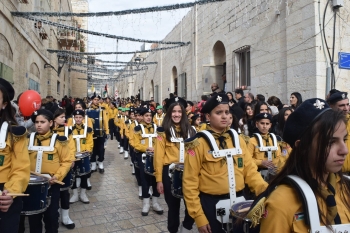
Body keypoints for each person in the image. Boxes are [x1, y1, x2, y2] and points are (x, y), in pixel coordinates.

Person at [248, 98, 350, 232]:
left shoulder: (346, 188)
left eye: (345, 139)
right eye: (330, 142)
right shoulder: (281, 201)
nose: (344, 150)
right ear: (302, 147)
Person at [183, 93, 268, 233]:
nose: (224, 116)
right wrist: (199, 217)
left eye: (227, 112)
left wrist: (266, 192)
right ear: (208, 117)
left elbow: (250, 171)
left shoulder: (239, 139)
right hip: (212, 203)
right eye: (218, 112)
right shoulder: (198, 143)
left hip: (241, 200)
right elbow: (189, 182)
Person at [154, 97, 195, 233]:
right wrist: (159, 179)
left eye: (179, 111)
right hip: (170, 172)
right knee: (173, 207)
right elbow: (158, 157)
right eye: (173, 111)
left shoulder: (191, 131)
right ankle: (173, 230)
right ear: (169, 112)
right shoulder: (163, 131)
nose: (176, 114)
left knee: (192, 204)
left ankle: (186, 227)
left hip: (189, 171)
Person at [27, 109, 72, 233]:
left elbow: (66, 161)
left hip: (51, 185)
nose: (39, 125)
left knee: (52, 218)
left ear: (51, 123)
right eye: (36, 122)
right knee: (34, 220)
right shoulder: (28, 139)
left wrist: (57, 176)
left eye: (43, 122)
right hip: (32, 186)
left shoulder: (59, 140)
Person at [0, 79, 30, 233]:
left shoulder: (15, 133)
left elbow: (21, 169)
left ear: (4, 104)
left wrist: (10, 192)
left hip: (4, 195)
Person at [133, 108, 164, 216]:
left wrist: (156, 149)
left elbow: (161, 141)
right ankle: (146, 203)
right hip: (143, 157)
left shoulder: (157, 128)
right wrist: (147, 148)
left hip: (156, 157)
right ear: (141, 117)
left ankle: (155, 203)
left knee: (156, 178)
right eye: (146, 115)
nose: (148, 117)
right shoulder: (138, 128)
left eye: (150, 115)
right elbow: (135, 143)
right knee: (145, 179)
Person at [52, 108, 76, 229]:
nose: (64, 119)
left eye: (64, 116)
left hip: (65, 166)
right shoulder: (48, 130)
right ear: (54, 118)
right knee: (52, 195)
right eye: (61, 117)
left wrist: (71, 159)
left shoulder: (68, 131)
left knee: (64, 192)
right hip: (51, 168)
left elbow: (72, 147)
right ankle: (53, 217)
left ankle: (65, 217)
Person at [247, 113, 282, 180]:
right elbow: (248, 160)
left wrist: (274, 163)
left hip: (273, 171)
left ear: (270, 125)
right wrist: (260, 162)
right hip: (258, 172)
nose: (264, 126)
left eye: (267, 124)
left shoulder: (274, 139)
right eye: (262, 123)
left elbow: (279, 156)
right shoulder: (252, 141)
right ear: (257, 124)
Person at [69, 110, 93, 204]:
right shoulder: (69, 130)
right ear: (73, 118)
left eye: (80, 117)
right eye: (76, 117)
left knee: (84, 175)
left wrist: (87, 149)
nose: (78, 119)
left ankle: (83, 194)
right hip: (73, 156)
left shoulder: (87, 129)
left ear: (83, 118)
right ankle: (75, 194)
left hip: (84, 155)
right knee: (73, 175)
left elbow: (89, 141)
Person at [327, 91, 350, 172]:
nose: (346, 109)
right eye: (341, 105)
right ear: (331, 106)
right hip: (336, 173)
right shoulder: (327, 125)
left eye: (347, 104)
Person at [87, 94, 109, 173]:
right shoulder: (87, 109)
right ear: (92, 100)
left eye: (97, 99)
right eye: (94, 99)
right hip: (90, 134)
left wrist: (107, 131)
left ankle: (100, 163)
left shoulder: (102, 109)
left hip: (100, 132)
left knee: (101, 148)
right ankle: (93, 164)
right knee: (92, 148)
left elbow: (105, 121)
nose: (96, 101)